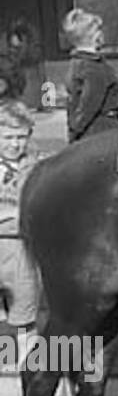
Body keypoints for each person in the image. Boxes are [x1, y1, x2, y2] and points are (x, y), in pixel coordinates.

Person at [0, 99, 40, 330]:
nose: (15, 145)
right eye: (7, 137)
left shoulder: (38, 168)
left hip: (23, 255)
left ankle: (24, 362)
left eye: (21, 137)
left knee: (24, 320)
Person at [63, 8, 118, 142]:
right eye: (99, 30)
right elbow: (88, 104)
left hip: (89, 129)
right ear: (95, 35)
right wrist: (76, 131)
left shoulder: (76, 63)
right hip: (100, 129)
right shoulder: (94, 67)